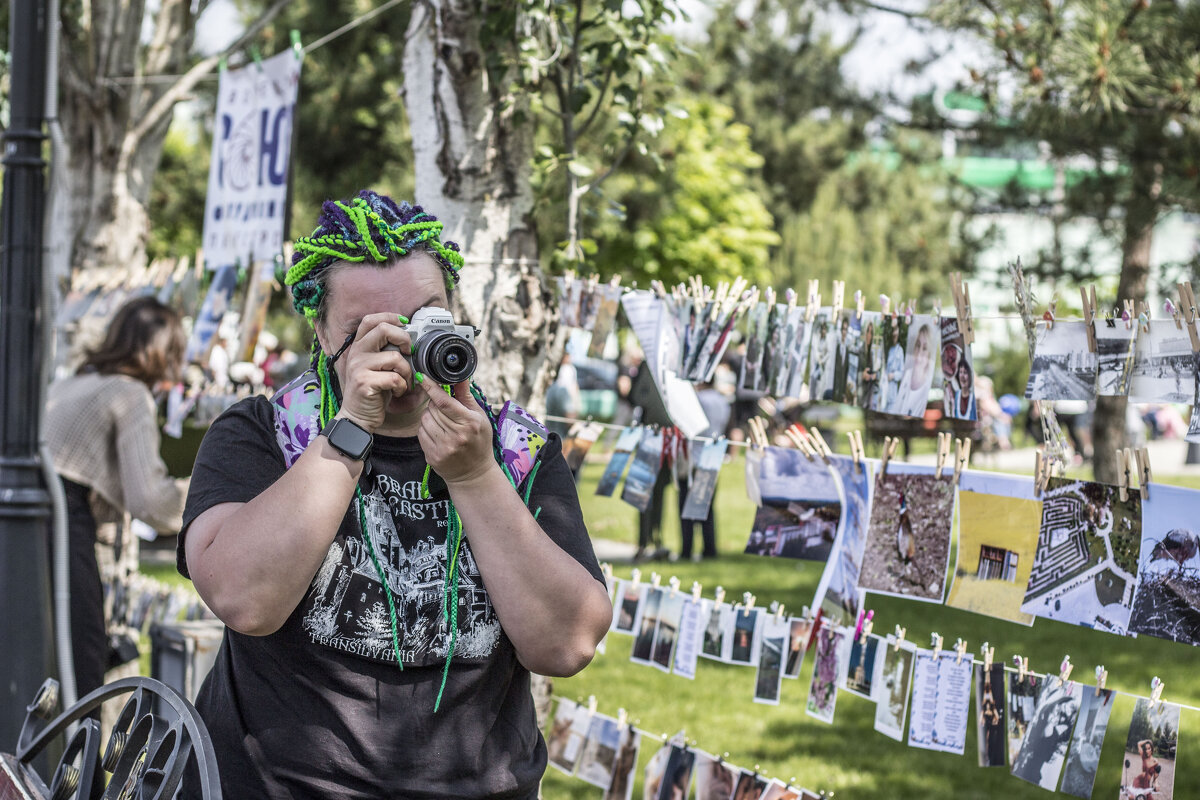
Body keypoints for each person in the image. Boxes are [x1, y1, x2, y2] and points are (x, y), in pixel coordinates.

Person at [177, 191, 612, 799]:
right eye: (366, 331)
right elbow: (244, 601)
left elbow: (567, 644)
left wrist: (475, 477)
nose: (400, 345)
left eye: (423, 318)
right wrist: (350, 429)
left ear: (454, 316)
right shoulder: (265, 434)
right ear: (321, 333)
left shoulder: (517, 451)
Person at [45, 296, 190, 702]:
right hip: (65, 524)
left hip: (32, 520)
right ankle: (81, 747)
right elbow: (151, 501)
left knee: (44, 660)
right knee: (82, 666)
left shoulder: (71, 382)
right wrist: (208, 490)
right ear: (162, 352)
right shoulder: (129, 394)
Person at [679, 381, 730, 561]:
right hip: (713, 457)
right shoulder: (722, 401)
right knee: (707, 509)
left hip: (695, 457)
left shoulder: (698, 399)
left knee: (686, 508)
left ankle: (687, 550)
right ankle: (709, 549)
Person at [888, 323, 933, 418]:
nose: (919, 352)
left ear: (929, 354)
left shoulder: (927, 388)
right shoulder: (908, 374)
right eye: (918, 345)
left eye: (924, 348)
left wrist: (893, 376)